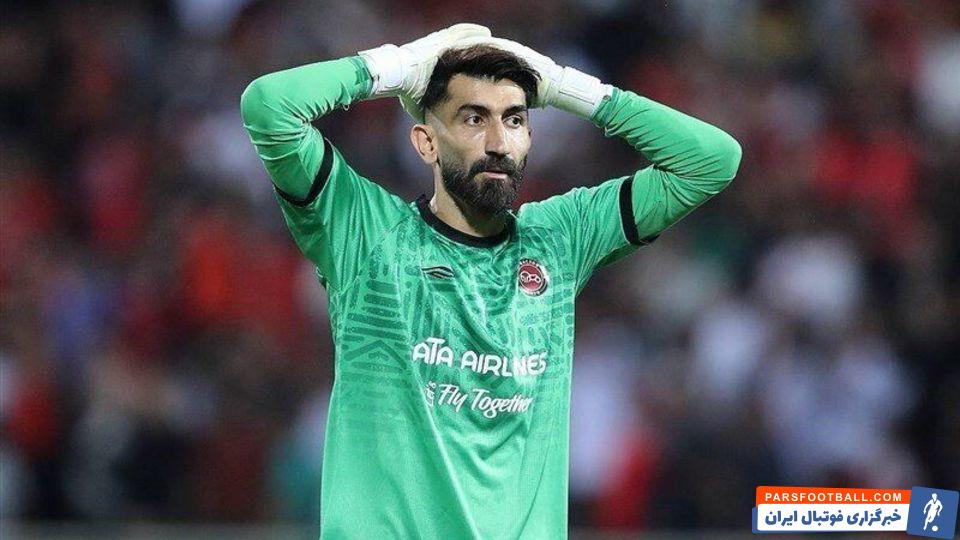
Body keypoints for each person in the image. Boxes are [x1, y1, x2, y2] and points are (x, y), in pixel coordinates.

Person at [240, 23, 741, 539]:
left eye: (515, 119)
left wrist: (566, 87)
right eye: (474, 119)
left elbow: (712, 162)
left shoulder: (559, 239)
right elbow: (269, 107)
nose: (499, 143)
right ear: (426, 142)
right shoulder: (367, 233)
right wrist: (397, 66)